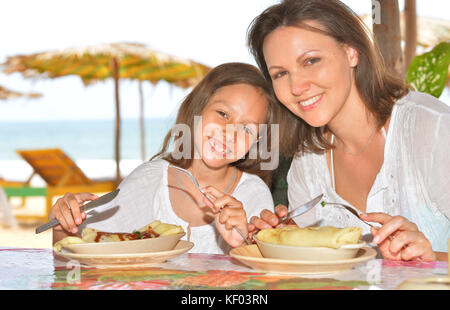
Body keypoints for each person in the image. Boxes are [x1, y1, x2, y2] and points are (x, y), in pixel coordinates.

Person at [246, 0, 449, 261]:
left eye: (311, 60)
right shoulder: (308, 164)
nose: (296, 86)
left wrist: (434, 259)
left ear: (351, 52)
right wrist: (278, 240)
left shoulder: (429, 130)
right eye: (280, 74)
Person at [49, 62, 280, 254]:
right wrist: (65, 225)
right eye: (222, 114)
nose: (230, 132)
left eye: (247, 129)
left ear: (257, 142)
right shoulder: (149, 180)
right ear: (198, 107)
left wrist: (243, 244)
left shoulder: (253, 194)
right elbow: (77, 257)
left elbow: (265, 277)